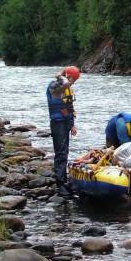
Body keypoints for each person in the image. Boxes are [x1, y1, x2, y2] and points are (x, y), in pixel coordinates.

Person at [46, 66, 80, 198]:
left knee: (65, 152)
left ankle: (63, 181)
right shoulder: (53, 86)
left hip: (65, 123)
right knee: (60, 152)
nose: (73, 82)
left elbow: (69, 107)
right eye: (73, 79)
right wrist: (60, 76)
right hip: (58, 123)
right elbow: (61, 108)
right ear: (67, 76)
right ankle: (60, 184)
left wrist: (72, 125)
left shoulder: (67, 88)